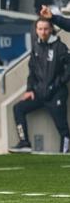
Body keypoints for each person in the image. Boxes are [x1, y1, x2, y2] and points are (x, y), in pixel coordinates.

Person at [9, 18, 70, 154]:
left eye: (46, 29)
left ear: (51, 30)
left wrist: (57, 84)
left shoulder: (60, 47)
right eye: (40, 29)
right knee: (18, 108)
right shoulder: (36, 46)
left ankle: (65, 151)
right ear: (36, 30)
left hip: (56, 93)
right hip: (39, 92)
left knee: (62, 126)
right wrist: (30, 89)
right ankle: (24, 142)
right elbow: (32, 71)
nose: (43, 32)